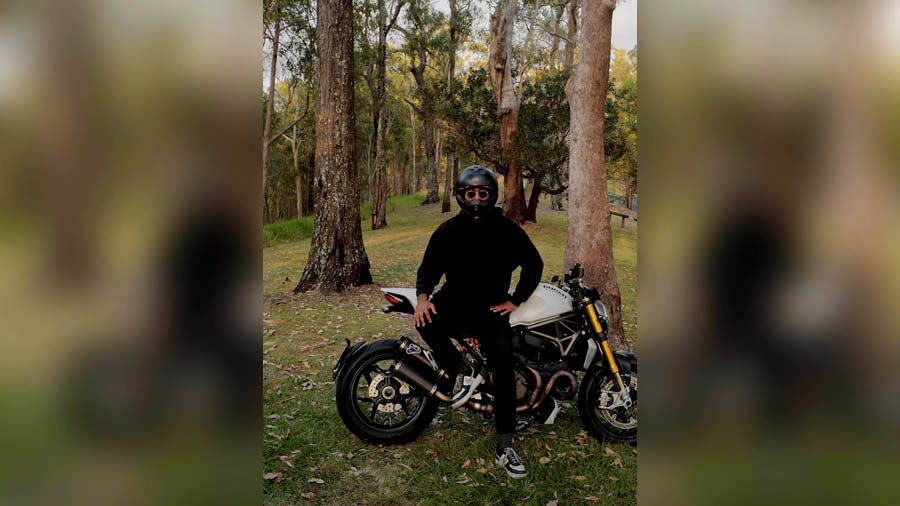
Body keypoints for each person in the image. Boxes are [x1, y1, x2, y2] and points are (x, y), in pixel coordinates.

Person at [413, 165, 543, 479]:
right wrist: (422, 299)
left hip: (491, 310)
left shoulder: (507, 230)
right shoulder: (448, 230)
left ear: (491, 195)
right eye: (470, 193)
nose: (476, 199)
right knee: (423, 323)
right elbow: (428, 268)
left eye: (482, 193)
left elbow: (534, 264)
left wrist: (516, 299)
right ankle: (460, 368)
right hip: (452, 302)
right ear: (460, 195)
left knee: (503, 363)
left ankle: (505, 444)